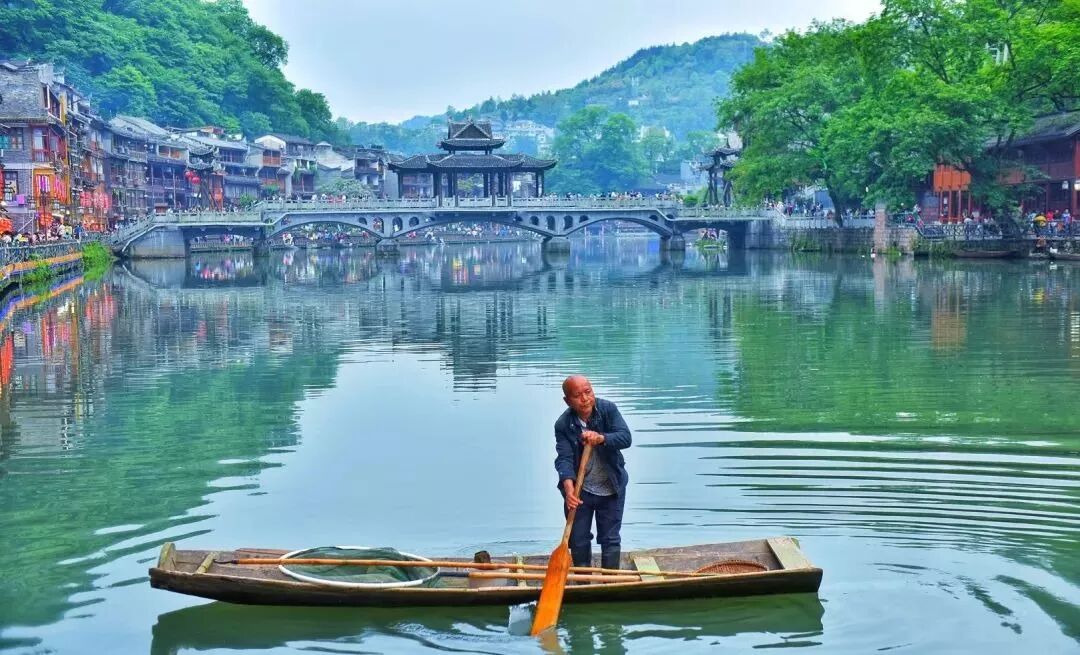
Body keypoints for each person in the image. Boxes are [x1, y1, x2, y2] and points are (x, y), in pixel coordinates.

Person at [554, 375, 632, 572]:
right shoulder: (563, 425)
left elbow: (625, 438)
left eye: (588, 392)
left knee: (610, 538)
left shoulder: (607, 410)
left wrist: (601, 438)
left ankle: (610, 580)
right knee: (578, 538)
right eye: (577, 395)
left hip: (612, 486)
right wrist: (569, 490)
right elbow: (564, 458)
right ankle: (584, 581)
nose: (585, 399)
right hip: (581, 492)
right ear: (567, 401)